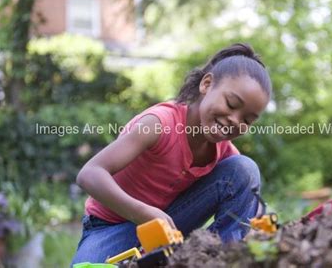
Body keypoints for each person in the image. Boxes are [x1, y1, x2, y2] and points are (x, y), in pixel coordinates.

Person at [71, 43, 272, 264]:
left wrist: (260, 222)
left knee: (245, 169)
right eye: (232, 103)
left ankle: (221, 259)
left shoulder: (222, 149)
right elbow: (89, 173)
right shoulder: (159, 124)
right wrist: (143, 214)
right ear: (207, 84)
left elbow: (248, 193)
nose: (235, 120)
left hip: (168, 228)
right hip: (110, 228)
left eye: (247, 120)